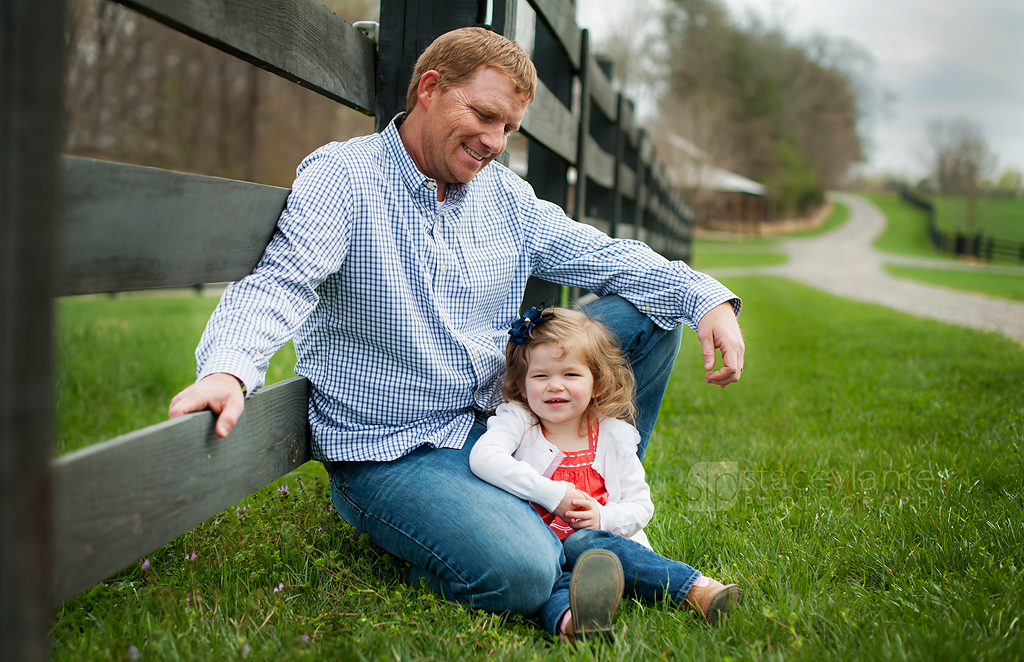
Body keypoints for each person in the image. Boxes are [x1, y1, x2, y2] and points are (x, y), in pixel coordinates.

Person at [168, 26, 744, 626]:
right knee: (522, 568)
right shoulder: (346, 178)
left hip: (503, 420)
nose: (495, 142)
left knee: (653, 315)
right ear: (430, 88)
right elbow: (280, 279)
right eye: (484, 115)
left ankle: (595, 491)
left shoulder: (505, 198)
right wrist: (229, 369)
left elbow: (605, 255)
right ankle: (544, 563)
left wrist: (706, 299)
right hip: (394, 452)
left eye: (509, 129)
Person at [470, 305, 741, 639]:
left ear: (596, 383)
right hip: (540, 548)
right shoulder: (519, 420)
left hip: (602, 546)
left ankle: (695, 589)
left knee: (587, 544)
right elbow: (484, 458)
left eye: (570, 375)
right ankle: (579, 623)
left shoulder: (613, 436)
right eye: (541, 376)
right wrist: (553, 494)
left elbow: (642, 506)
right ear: (523, 386)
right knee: (555, 585)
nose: (555, 386)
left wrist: (603, 518)